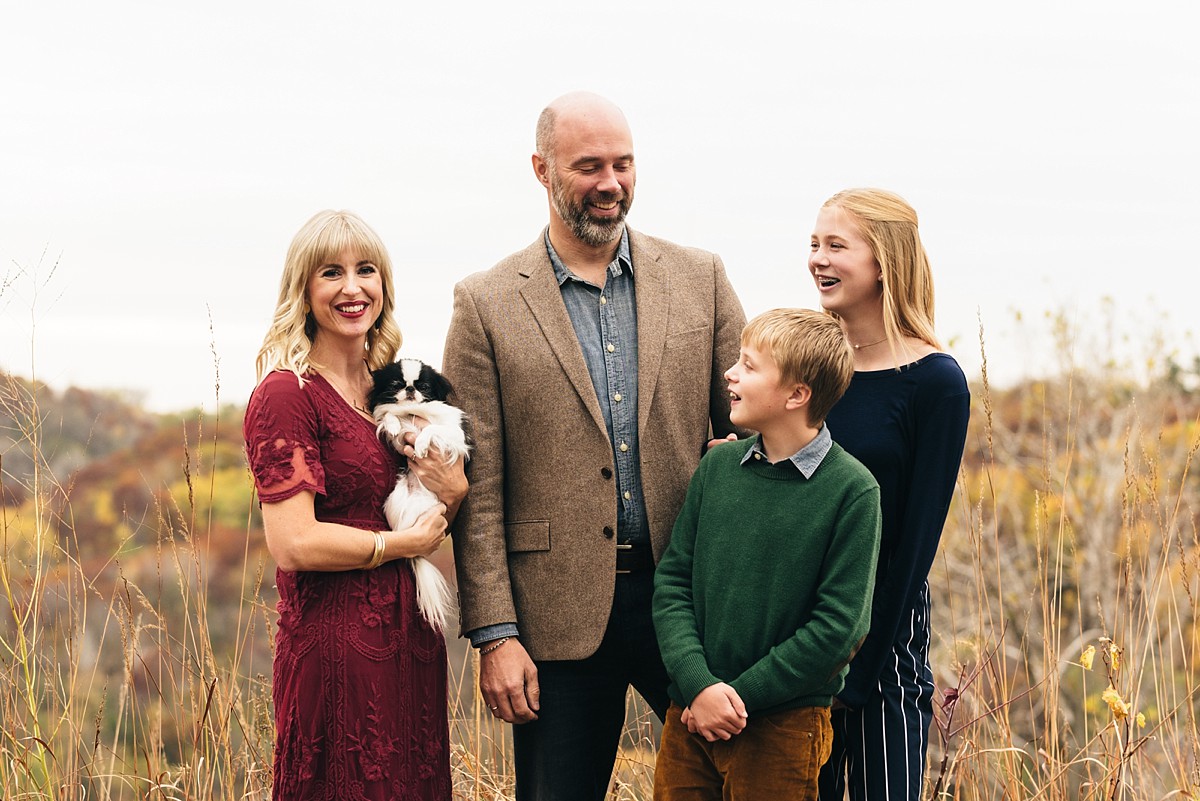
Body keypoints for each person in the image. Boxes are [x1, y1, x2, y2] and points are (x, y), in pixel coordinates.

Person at [441, 91, 746, 800]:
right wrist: (495, 632)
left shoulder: (701, 277)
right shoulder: (484, 303)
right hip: (554, 618)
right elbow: (477, 485)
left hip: (691, 599)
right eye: (588, 167)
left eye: (623, 164)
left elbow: (754, 431)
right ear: (542, 169)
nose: (610, 183)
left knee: (742, 783)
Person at [243, 210, 467, 800]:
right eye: (330, 273)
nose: (351, 287)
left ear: (383, 285)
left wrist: (456, 489)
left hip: (412, 638)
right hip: (336, 643)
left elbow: (439, 496)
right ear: (304, 290)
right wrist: (399, 546)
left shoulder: (390, 390)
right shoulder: (287, 394)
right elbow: (292, 543)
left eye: (366, 270)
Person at [652, 308, 882, 801]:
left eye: (750, 366)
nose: (731, 374)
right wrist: (698, 686)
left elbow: (839, 627)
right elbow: (672, 584)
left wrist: (734, 700)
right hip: (689, 719)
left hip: (785, 728)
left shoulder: (853, 491)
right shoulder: (716, 468)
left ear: (797, 395)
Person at [808, 189, 970, 801]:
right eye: (814, 245)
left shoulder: (935, 382)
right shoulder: (809, 367)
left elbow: (917, 542)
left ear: (885, 261)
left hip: (887, 635)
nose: (819, 259)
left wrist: (864, 668)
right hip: (797, 636)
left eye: (836, 246)